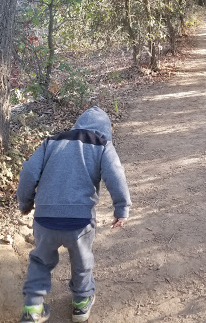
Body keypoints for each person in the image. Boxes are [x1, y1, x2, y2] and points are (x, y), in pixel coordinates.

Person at [16, 106, 131, 323]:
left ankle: (32, 308)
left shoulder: (51, 142)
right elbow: (116, 174)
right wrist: (121, 208)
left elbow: (29, 172)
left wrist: (25, 201)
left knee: (40, 261)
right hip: (80, 221)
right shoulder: (102, 145)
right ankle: (80, 306)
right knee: (81, 261)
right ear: (105, 130)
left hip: (45, 218)